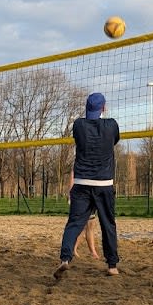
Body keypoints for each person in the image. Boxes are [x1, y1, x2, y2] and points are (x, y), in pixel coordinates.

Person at [54, 92, 120, 279]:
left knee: (74, 223)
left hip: (81, 183)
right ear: (103, 108)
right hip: (103, 183)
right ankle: (112, 265)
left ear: (86, 108)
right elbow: (113, 141)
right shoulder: (111, 125)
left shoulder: (79, 125)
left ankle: (65, 259)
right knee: (108, 224)